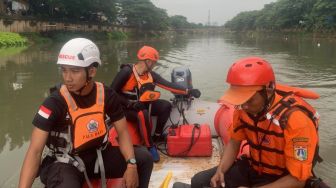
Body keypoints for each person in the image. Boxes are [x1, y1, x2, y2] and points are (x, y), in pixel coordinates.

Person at [19, 38, 153, 188]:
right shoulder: (54, 103)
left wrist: (131, 165)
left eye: (75, 71)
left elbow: (122, 132)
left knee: (144, 159)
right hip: (65, 162)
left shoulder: (106, 94)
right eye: (64, 70)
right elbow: (35, 151)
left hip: (97, 155)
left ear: (92, 71)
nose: (67, 78)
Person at [188, 57, 321, 188]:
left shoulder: (296, 121)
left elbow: (298, 180)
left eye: (249, 100)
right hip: (254, 169)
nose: (244, 106)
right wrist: (220, 170)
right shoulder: (242, 109)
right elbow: (234, 143)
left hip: (283, 179)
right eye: (240, 99)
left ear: (268, 90)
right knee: (199, 182)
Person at [111, 45, 201, 161]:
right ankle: (150, 146)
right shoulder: (127, 72)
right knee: (142, 114)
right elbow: (111, 93)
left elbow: (168, 85)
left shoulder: (151, 75)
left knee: (165, 106)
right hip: (127, 108)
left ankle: (157, 136)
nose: (155, 65)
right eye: (154, 62)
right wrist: (129, 103)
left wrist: (189, 91)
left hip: (143, 104)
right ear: (147, 61)